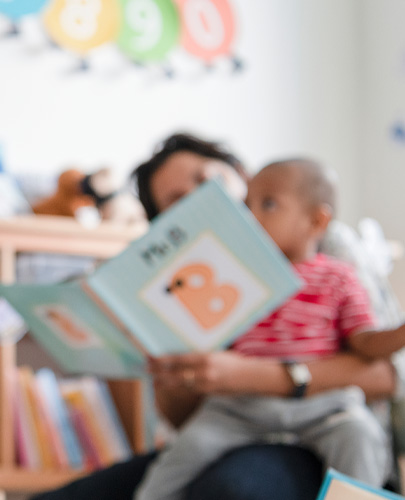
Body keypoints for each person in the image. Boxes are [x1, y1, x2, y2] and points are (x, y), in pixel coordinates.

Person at [33, 133, 401, 500]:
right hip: (234, 422)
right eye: (177, 201)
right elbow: (185, 421)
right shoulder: (193, 273)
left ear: (239, 173)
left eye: (205, 178)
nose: (202, 197)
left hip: (320, 428)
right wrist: (165, 361)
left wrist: (257, 376)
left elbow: (386, 374)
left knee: (228, 489)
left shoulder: (328, 248)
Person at [136, 159, 402, 500]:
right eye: (248, 205)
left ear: (316, 220)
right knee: (180, 457)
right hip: (238, 409)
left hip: (323, 407)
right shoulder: (234, 274)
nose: (252, 216)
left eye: (269, 205)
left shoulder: (339, 276)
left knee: (360, 437)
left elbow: (366, 344)